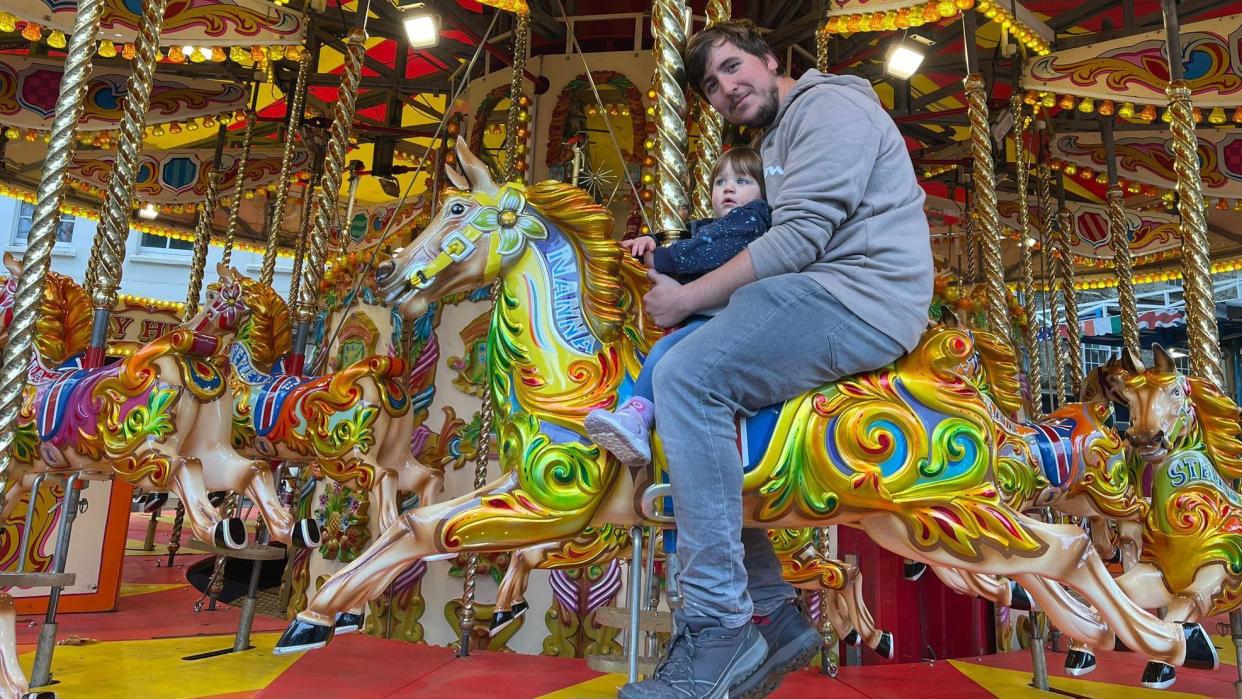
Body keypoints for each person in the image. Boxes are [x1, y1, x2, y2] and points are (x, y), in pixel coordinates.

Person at [620, 20, 932, 699]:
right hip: (821, 291)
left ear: (769, 60)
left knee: (688, 375)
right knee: (682, 368)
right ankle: (766, 607)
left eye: (734, 68)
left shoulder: (831, 107)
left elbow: (797, 240)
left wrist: (684, 300)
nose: (726, 88)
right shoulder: (777, 138)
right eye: (711, 85)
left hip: (859, 297)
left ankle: (718, 621)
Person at [586, 147, 771, 467]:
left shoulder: (753, 219)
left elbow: (707, 251)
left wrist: (660, 258)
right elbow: (693, 238)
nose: (728, 188)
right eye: (720, 182)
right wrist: (651, 240)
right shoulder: (712, 227)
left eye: (742, 181)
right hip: (715, 321)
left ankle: (637, 418)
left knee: (666, 352)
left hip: (730, 321)